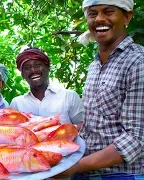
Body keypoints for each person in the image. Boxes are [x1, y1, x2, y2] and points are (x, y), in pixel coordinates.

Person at [55, 0, 144, 179]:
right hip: (87, 172)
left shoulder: (138, 62)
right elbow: (97, 124)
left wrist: (74, 167)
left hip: (121, 175)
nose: (99, 19)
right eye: (93, 13)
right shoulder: (95, 65)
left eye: (109, 12)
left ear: (127, 17)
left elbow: (136, 139)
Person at [10, 47, 84, 125]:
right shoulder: (17, 104)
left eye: (38, 65)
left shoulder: (68, 96)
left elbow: (82, 126)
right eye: (27, 68)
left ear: (48, 68)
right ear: (22, 75)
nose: (33, 70)